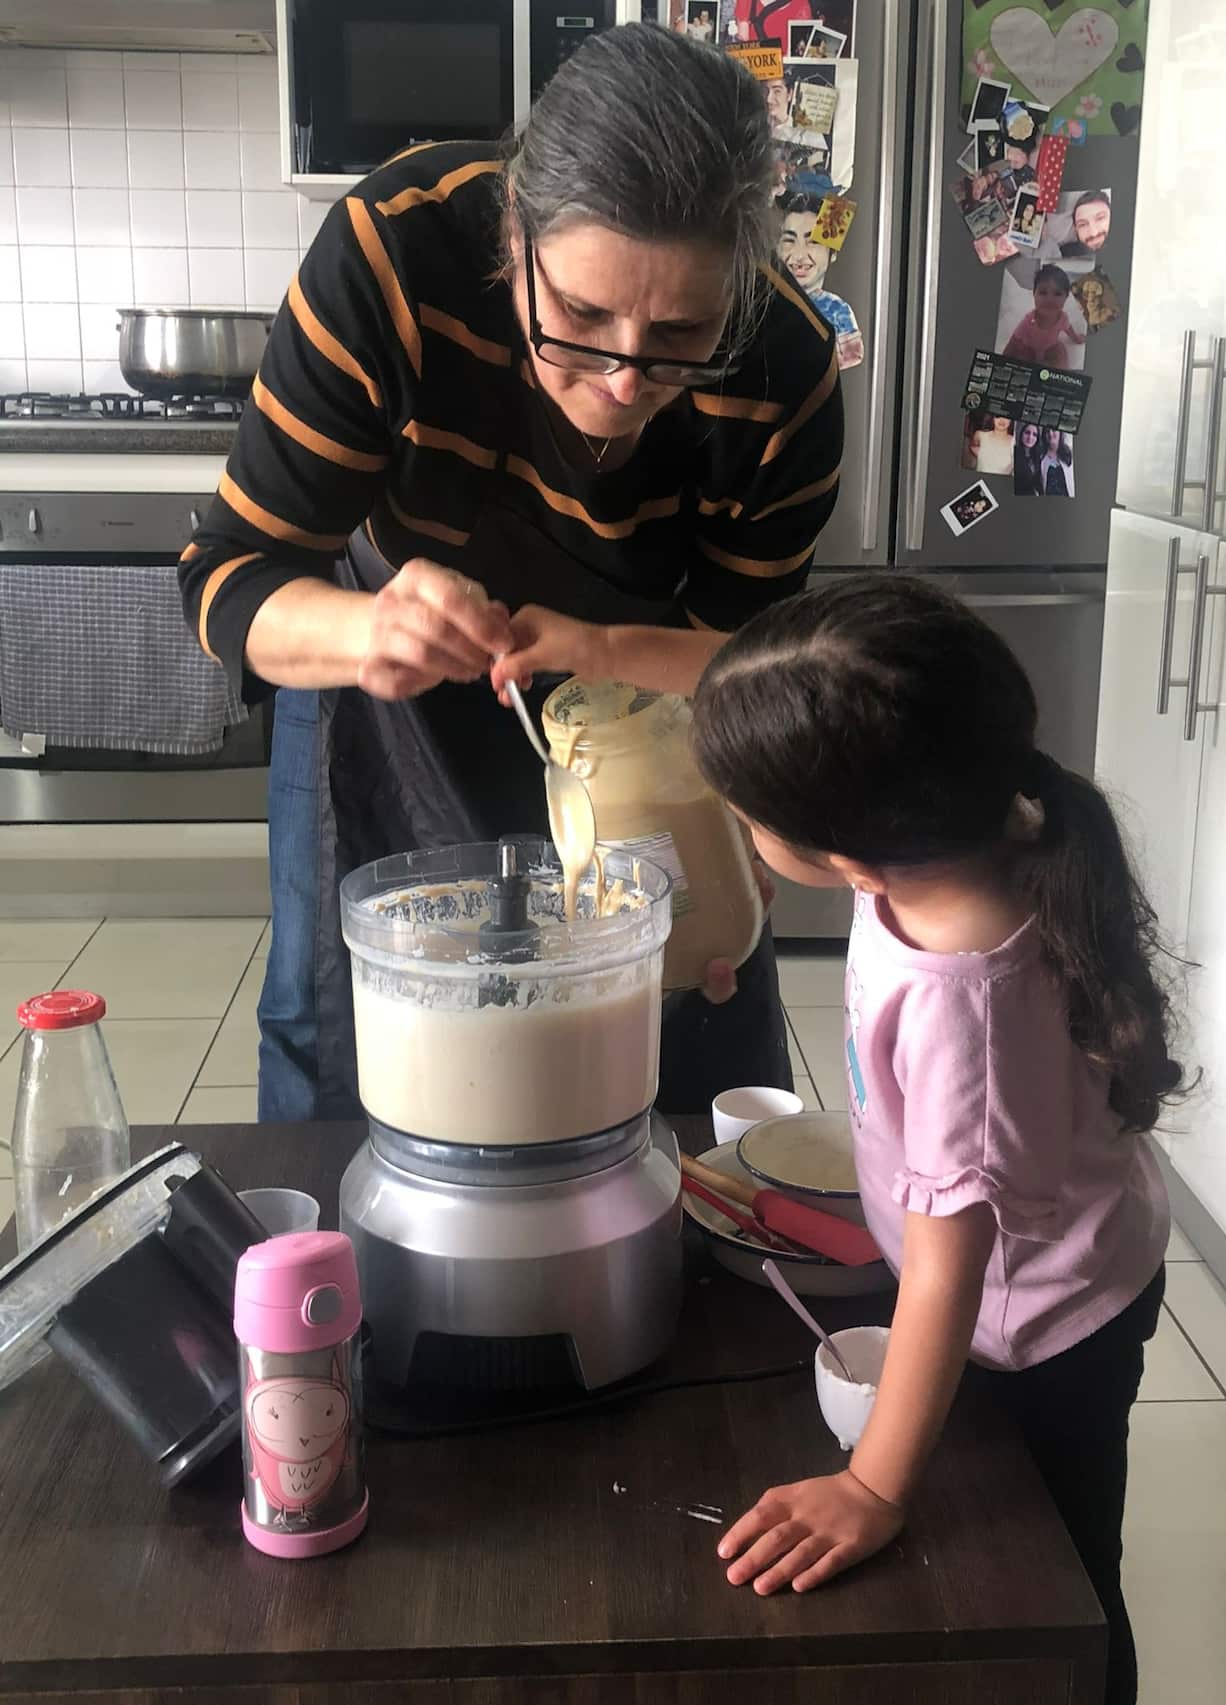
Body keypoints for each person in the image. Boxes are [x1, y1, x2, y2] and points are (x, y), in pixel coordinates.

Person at [177, 23, 843, 1123]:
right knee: (335, 1012)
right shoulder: (391, 253)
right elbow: (227, 577)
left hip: (637, 699)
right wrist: (365, 632)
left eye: (679, 332)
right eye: (578, 318)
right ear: (512, 233)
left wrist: (740, 827)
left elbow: (745, 663)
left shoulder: (783, 367)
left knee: (691, 1002)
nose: (623, 381)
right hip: (379, 663)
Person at [688, 575, 1179, 1705]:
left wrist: (870, 1487)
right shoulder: (949, 839)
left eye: (751, 815)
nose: (745, 835)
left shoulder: (967, 1007)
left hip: (1039, 1320)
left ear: (848, 849)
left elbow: (950, 1281)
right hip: (1053, 1245)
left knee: (1054, 1579)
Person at [775, 192, 863, 367]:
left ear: (832, 253)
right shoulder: (764, 304)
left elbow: (852, 355)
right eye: (789, 240)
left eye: (813, 241)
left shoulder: (837, 309)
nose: (799, 255)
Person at [1002, 263, 1086, 369]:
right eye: (1043, 292)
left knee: (1059, 350)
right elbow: (1014, 340)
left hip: (1050, 348)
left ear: (1066, 297)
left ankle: (1056, 378)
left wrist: (1076, 338)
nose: (1049, 299)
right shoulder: (1029, 320)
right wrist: (1003, 359)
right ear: (1034, 294)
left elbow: (1068, 329)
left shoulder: (1062, 318)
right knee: (1022, 355)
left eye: (1057, 294)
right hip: (1029, 348)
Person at [1061, 189, 1111, 257]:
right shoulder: (1062, 253)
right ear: (1076, 230)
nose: (1093, 233)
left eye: (1100, 218)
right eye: (1082, 225)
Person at [971, 413, 1014, 478]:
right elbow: (973, 446)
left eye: (1006, 417)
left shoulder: (1015, 442)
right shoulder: (980, 435)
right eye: (998, 416)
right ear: (993, 417)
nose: (1002, 420)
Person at [1041, 427, 1074, 497]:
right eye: (1047, 431)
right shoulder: (1041, 458)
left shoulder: (1070, 453)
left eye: (1053, 430)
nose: (1050, 434)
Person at [1013, 421, 1042, 496]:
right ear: (1021, 433)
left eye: (1034, 435)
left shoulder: (1038, 457)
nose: (1030, 437)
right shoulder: (1013, 452)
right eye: (1027, 433)